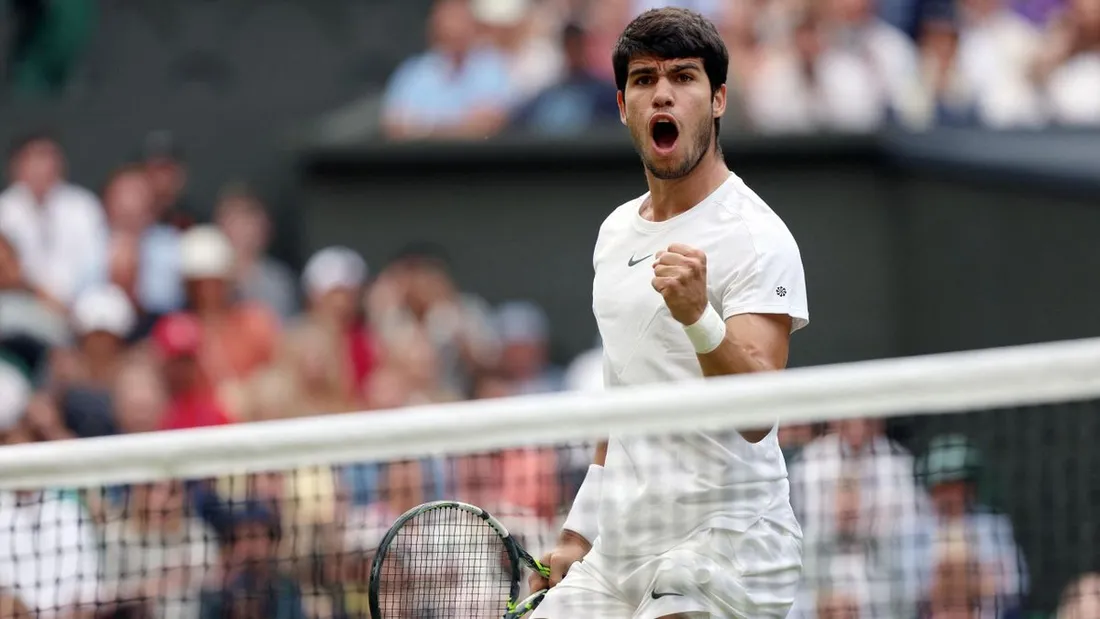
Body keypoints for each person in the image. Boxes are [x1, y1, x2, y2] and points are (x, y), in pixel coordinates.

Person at [530, 8, 808, 619]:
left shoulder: (759, 237)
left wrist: (698, 315)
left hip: (732, 541)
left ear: (717, 100)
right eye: (644, 79)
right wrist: (579, 531)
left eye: (684, 77)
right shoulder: (613, 235)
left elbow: (758, 413)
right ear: (625, 104)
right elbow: (621, 394)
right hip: (625, 548)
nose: (663, 92)